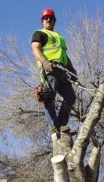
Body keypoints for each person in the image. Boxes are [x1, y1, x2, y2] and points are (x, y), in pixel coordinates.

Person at [31, 8, 77, 137]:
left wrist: (72, 71)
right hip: (49, 68)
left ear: (54, 21)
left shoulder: (60, 38)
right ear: (42, 21)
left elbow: (65, 56)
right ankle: (53, 127)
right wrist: (45, 63)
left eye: (51, 18)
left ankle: (61, 124)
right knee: (48, 96)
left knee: (71, 97)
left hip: (61, 70)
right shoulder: (39, 33)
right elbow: (35, 48)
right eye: (46, 18)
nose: (48, 20)